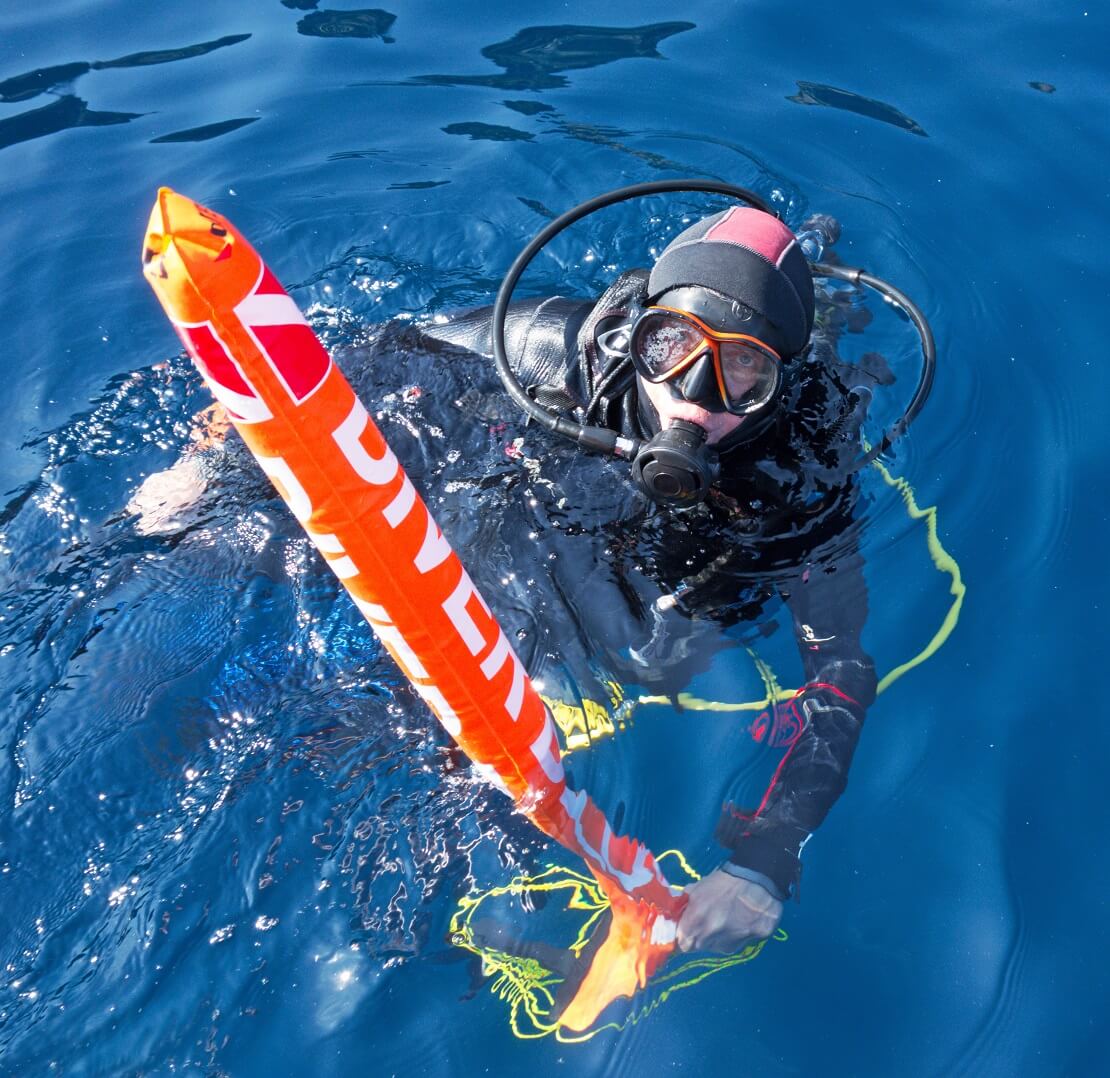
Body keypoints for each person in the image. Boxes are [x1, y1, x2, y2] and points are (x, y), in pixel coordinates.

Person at [415, 205, 888, 955]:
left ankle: (817, 282)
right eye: (670, 346)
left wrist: (765, 862)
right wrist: (214, 452)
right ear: (637, 332)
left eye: (743, 370)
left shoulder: (807, 466)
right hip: (565, 529)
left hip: (701, 572)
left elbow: (840, 668)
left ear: (781, 384)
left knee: (670, 651)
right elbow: (381, 356)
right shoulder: (556, 348)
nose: (693, 393)